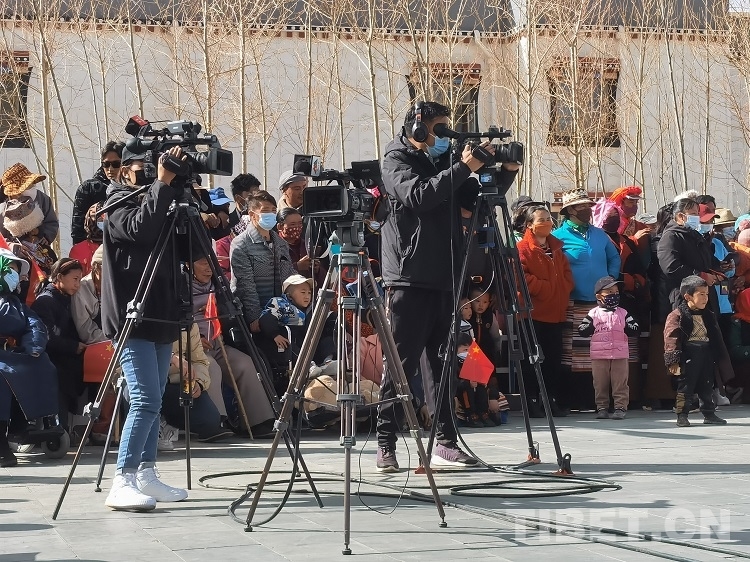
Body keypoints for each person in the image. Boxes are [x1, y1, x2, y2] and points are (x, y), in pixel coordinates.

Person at [377, 100, 519, 471]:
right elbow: (420, 196)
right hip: (408, 277)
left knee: (444, 364)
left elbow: (475, 200)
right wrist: (463, 167)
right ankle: (385, 443)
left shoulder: (443, 161)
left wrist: (504, 173)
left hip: (445, 276)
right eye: (439, 128)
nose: (443, 136)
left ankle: (445, 442)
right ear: (418, 127)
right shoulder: (395, 159)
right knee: (402, 364)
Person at [101, 145, 188, 511]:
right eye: (144, 168)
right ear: (125, 170)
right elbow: (141, 229)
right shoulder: (116, 202)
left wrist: (181, 194)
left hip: (160, 312)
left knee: (156, 399)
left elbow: (188, 249)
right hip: (131, 316)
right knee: (144, 399)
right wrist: (162, 185)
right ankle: (122, 479)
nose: (152, 173)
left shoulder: (163, 199)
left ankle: (146, 473)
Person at [190, 255, 276, 437]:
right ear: (189, 265)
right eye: (202, 263)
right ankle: (215, 421)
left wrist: (223, 310)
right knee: (210, 367)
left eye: (210, 263)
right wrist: (193, 339)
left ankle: (257, 421)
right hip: (191, 348)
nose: (208, 268)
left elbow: (232, 315)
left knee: (245, 364)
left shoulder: (219, 284)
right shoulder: (179, 286)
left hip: (218, 343)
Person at [554, 188, 621, 410]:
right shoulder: (558, 237)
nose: (587, 210)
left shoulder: (600, 234)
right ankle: (572, 400)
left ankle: (599, 400)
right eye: (581, 206)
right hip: (573, 302)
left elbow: (614, 258)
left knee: (600, 351)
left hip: (600, 303)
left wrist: (609, 281)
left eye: (588, 206)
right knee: (573, 354)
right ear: (570, 210)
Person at [0, 249, 58, 467]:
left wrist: (33, 346)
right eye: (11, 270)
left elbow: (34, 325)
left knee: (43, 366)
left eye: (17, 271)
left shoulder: (16, 303)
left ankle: (25, 423)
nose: (16, 275)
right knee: (3, 380)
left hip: (13, 353)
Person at [517, 204, 574, 417]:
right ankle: (531, 399)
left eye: (549, 218)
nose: (547, 223)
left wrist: (562, 289)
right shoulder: (522, 249)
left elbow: (567, 275)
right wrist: (547, 288)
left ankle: (549, 399)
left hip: (556, 313)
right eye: (541, 220)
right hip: (532, 313)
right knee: (531, 359)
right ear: (530, 225)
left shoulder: (557, 248)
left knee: (553, 359)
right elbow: (520, 278)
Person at [664, 275, 730, 427]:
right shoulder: (677, 315)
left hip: (706, 354)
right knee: (686, 387)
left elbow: (715, 336)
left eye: (706, 294)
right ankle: (682, 415)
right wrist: (673, 360)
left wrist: (717, 355)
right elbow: (671, 337)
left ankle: (709, 413)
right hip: (689, 355)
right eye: (701, 294)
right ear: (688, 296)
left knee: (707, 385)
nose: (705, 298)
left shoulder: (709, 315)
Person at [31, 258, 86, 433]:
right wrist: (74, 347)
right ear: (60, 277)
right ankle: (58, 431)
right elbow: (47, 337)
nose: (78, 284)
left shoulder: (67, 299)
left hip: (66, 358)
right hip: (51, 360)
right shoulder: (45, 302)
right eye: (75, 279)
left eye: (80, 279)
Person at [231, 191, 296, 332]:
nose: (271, 214)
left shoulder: (281, 244)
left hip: (281, 313)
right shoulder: (241, 244)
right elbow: (245, 285)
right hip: (255, 318)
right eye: (265, 210)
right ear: (252, 214)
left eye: (273, 210)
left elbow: (289, 274)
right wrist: (256, 317)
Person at [577, 277, 640, 420]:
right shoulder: (593, 313)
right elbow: (582, 329)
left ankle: (620, 407)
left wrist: (630, 326)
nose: (614, 295)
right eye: (610, 292)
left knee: (620, 382)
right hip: (599, 355)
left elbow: (635, 328)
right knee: (600, 382)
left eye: (616, 292)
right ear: (599, 296)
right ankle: (602, 407)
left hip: (620, 354)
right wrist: (588, 327)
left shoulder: (623, 313)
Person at [161, 324, 233, 443]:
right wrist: (173, 358)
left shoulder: (189, 323)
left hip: (177, 382)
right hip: (147, 383)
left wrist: (198, 382)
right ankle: (157, 423)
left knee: (210, 421)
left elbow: (199, 360)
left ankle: (169, 422)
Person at [71, 142, 124, 244]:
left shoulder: (133, 188)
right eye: (106, 164)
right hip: (94, 247)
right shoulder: (88, 188)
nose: (110, 169)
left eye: (116, 164)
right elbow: (77, 228)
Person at [0, 163, 59, 245]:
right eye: (27, 186)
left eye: (32, 185)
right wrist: (12, 246)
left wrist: (45, 236)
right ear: (14, 193)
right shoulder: (3, 207)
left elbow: (51, 223)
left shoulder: (43, 199)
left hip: (39, 247)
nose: (31, 189)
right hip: (11, 250)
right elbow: (1, 238)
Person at [277, 207, 326, 287]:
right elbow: (274, 275)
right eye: (292, 224)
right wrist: (297, 267)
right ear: (280, 227)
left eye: (300, 223)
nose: (297, 227)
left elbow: (323, 280)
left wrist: (317, 269)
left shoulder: (307, 245)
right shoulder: (274, 247)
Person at [68, 202, 104, 276]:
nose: (104, 223)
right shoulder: (78, 250)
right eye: (100, 220)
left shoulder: (119, 247)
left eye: (106, 219)